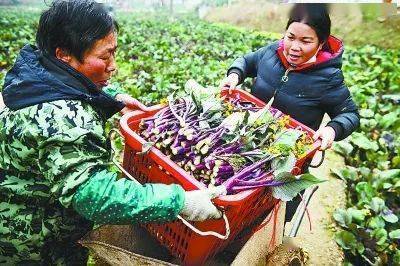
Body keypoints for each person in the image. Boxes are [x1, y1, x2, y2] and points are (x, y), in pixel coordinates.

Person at [0, 1, 225, 264]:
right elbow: (94, 196)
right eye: (105, 57)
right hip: (32, 243)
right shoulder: (62, 119)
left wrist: (109, 97)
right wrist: (180, 202)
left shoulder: (34, 72)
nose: (113, 66)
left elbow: (63, 85)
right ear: (64, 55)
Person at [220, 4, 359, 221]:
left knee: (275, 208)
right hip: (249, 142)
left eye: (306, 41)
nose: (294, 47)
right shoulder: (270, 52)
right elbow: (246, 61)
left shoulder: (329, 78)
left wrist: (332, 130)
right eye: (291, 37)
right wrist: (235, 75)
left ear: (321, 43)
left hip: (287, 156)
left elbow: (349, 114)